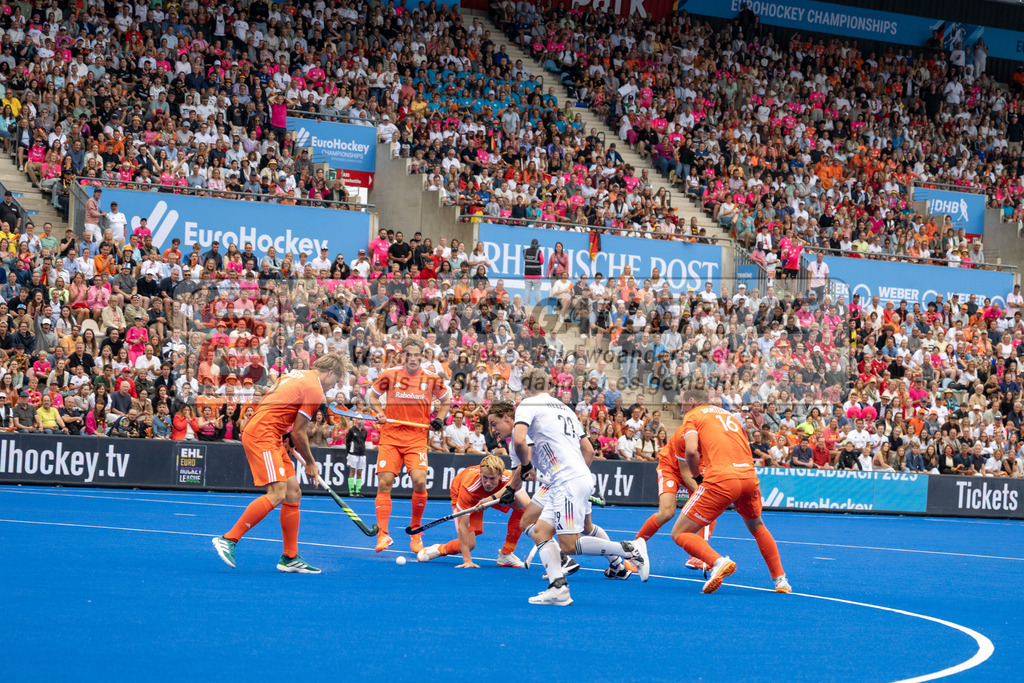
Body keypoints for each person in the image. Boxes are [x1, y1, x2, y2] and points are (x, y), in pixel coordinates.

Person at [485, 369, 650, 606]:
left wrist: (530, 466)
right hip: (569, 479)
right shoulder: (565, 409)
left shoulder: (528, 404)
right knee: (541, 532)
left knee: (569, 545)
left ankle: (629, 549)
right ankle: (558, 588)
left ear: (526, 387)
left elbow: (520, 441)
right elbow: (588, 450)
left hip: (566, 481)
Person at [211, 353, 346, 574]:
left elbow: (276, 406)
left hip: (272, 434)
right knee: (277, 493)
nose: (333, 387)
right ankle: (229, 539)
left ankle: (290, 557)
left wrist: (286, 435)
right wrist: (311, 463)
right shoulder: (314, 389)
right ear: (330, 373)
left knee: (293, 492)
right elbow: (300, 432)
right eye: (335, 381)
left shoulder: (295, 375)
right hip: (263, 434)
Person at [670, 390, 791, 594]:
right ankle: (781, 581)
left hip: (722, 478)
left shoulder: (693, 415)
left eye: (682, 404)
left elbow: (691, 451)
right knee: (757, 527)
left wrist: (697, 477)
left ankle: (717, 562)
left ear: (692, 401)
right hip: (748, 476)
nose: (681, 408)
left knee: (680, 532)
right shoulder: (730, 416)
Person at [368, 336, 452, 553]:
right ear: (403, 355)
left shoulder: (432, 378)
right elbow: (372, 397)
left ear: (422, 356)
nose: (413, 359)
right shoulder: (389, 375)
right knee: (385, 482)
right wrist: (379, 413)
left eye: (416, 355)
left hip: (416, 438)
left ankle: (415, 530)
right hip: (391, 436)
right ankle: (383, 534)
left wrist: (439, 419)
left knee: (420, 482)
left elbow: (446, 401)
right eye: (409, 355)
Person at [417, 455, 529, 568]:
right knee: (469, 544)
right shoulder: (469, 488)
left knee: (522, 508)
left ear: (500, 476)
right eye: (485, 477)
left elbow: (525, 501)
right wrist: (467, 560)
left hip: (492, 494)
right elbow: (463, 525)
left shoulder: (509, 478)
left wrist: (490, 499)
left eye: (492, 479)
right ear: (480, 474)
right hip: (464, 492)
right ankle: (440, 549)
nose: (488, 482)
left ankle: (506, 554)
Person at [634, 419, 716, 571]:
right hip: (671, 467)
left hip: (696, 465)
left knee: (709, 508)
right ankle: (634, 549)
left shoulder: (713, 437)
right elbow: (684, 471)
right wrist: (702, 493)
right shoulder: (683, 436)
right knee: (667, 513)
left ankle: (696, 557)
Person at [345, 418, 368, 497]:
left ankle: (358, 491)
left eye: (361, 419)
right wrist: (348, 453)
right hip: (353, 453)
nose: (360, 421)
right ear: (356, 421)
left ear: (363, 421)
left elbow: (363, 441)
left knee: (359, 473)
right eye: (358, 419)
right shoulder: (352, 430)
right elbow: (347, 442)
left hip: (362, 454)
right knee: (352, 472)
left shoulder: (365, 431)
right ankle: (351, 491)